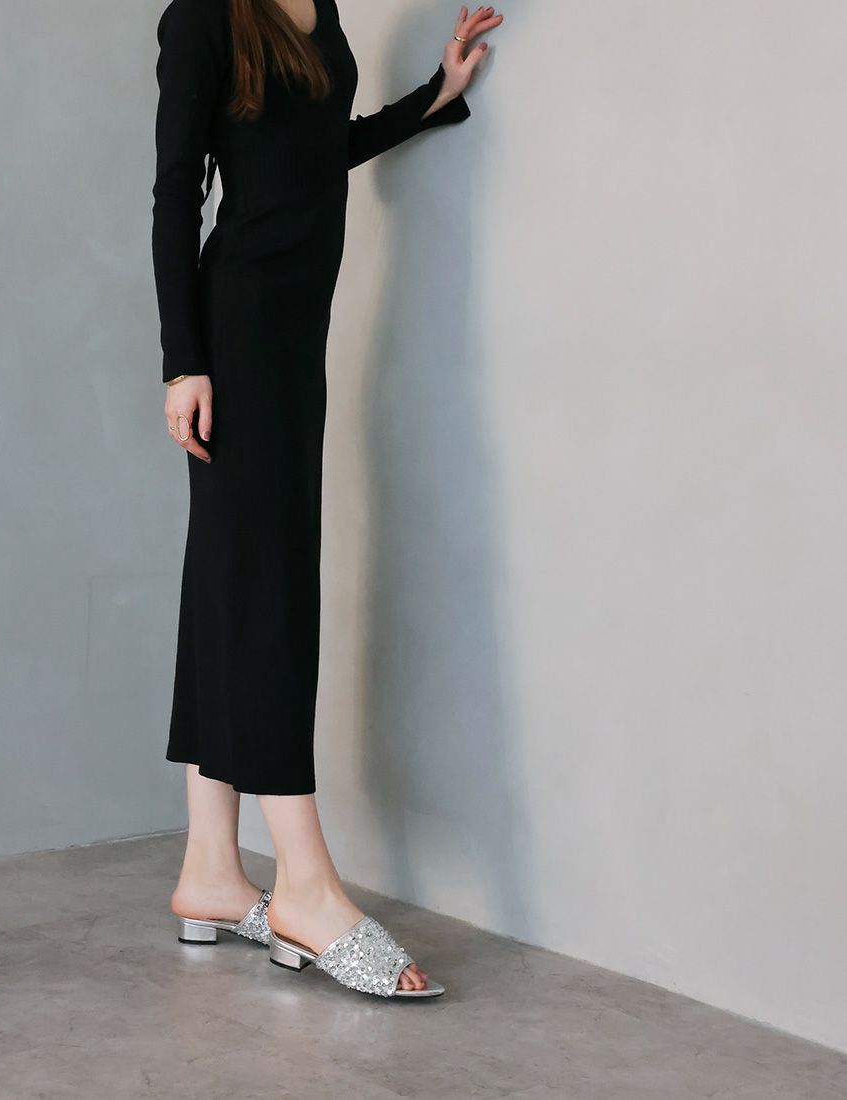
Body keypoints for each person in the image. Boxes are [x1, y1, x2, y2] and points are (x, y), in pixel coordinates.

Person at [151, 0, 501, 997]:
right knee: (266, 593)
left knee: (229, 582)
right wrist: (183, 361)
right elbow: (176, 192)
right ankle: (302, 883)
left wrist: (434, 95)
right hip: (238, 338)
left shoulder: (319, 4)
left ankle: (211, 870)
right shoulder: (203, 17)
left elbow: (314, 152)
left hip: (293, 334)